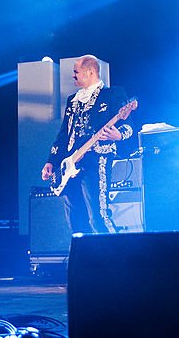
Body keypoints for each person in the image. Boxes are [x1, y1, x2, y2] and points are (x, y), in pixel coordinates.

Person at [40, 55, 131, 235]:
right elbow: (64, 134)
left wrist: (118, 135)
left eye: (76, 72)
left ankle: (116, 259)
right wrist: (51, 160)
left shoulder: (112, 94)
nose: (73, 76)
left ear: (90, 72)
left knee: (99, 215)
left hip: (96, 160)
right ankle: (84, 258)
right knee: (74, 218)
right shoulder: (72, 100)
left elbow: (129, 124)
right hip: (70, 164)